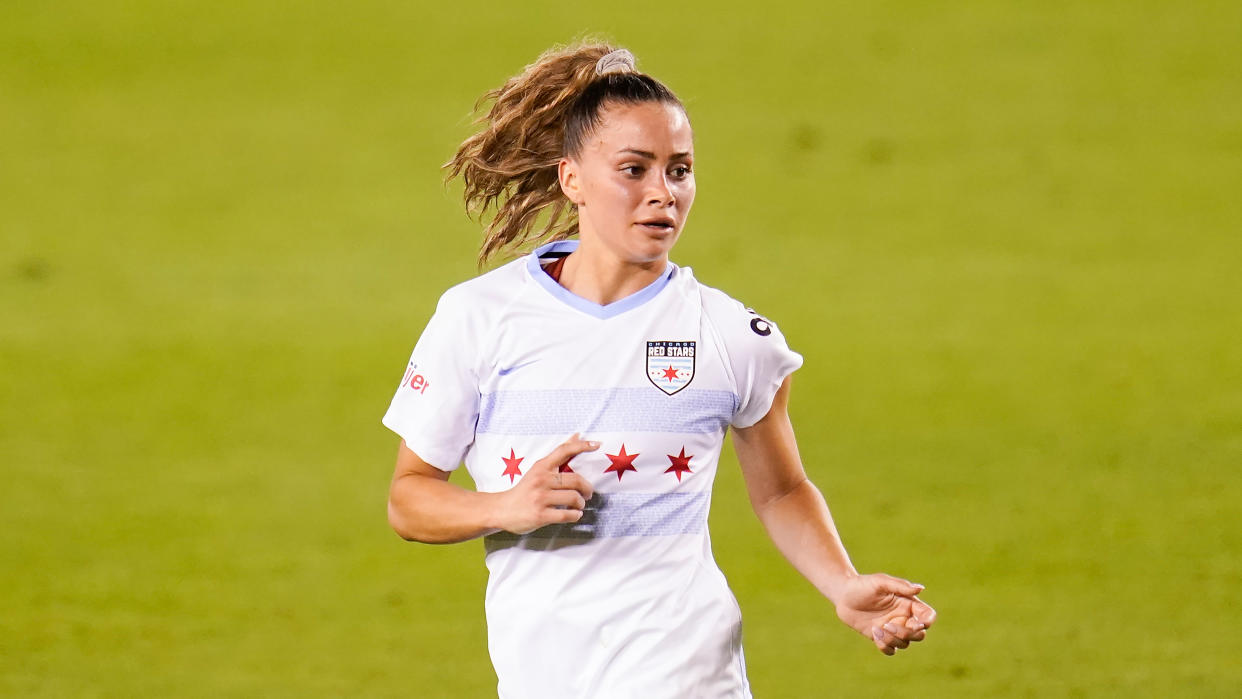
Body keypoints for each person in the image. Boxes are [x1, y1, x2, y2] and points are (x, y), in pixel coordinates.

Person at [382, 41, 936, 698]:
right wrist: (503, 505)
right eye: (634, 169)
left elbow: (782, 490)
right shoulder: (479, 317)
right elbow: (410, 497)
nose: (662, 194)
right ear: (572, 178)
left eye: (679, 170)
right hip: (543, 677)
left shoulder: (733, 336)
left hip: (688, 673)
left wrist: (842, 583)